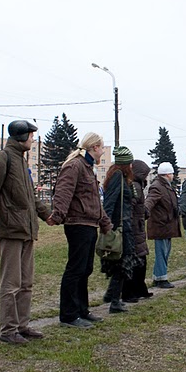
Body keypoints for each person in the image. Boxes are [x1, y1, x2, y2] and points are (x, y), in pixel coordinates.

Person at [0, 120, 50, 345]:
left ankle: (22, 326)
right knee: (11, 284)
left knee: (26, 282)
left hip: (27, 230)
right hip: (11, 230)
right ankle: (8, 330)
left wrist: (46, 214)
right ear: (22, 136)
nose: (32, 139)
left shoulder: (21, 160)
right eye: (31, 135)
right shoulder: (4, 158)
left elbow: (30, 197)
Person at [47, 132, 112, 328]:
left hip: (89, 224)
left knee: (85, 269)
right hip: (77, 224)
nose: (103, 150)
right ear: (94, 147)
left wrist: (105, 222)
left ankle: (82, 310)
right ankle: (68, 315)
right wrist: (58, 214)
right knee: (75, 269)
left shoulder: (88, 168)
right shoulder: (75, 165)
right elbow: (63, 191)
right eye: (102, 147)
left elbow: (94, 201)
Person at [101, 146, 137, 314]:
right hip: (120, 228)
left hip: (124, 226)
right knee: (122, 264)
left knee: (121, 263)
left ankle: (111, 295)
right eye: (130, 163)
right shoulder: (118, 178)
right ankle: (114, 301)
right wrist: (108, 227)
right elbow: (109, 204)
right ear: (125, 164)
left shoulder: (119, 176)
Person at [145, 162, 181, 288]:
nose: (173, 175)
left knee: (165, 252)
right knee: (162, 253)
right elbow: (150, 201)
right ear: (167, 174)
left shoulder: (166, 186)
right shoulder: (157, 187)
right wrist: (144, 211)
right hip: (161, 225)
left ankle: (157, 276)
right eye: (171, 173)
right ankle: (161, 278)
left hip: (167, 225)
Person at [122, 159, 154, 301]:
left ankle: (139, 289)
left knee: (140, 261)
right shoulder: (135, 186)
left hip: (137, 227)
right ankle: (131, 292)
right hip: (135, 228)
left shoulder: (136, 185)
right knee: (137, 262)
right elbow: (132, 206)